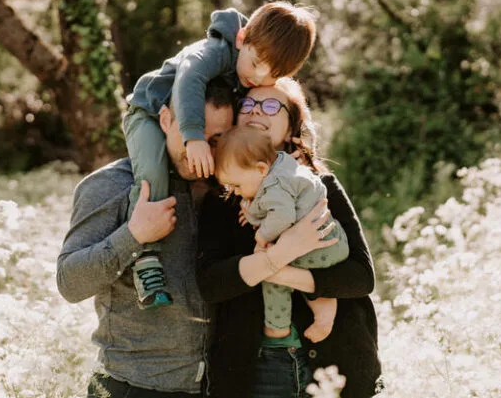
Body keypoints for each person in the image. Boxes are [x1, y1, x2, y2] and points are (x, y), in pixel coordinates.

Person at [56, 79, 334, 398]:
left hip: (214, 387)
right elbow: (69, 283)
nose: (199, 151)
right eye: (192, 135)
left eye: (216, 140)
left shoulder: (229, 188)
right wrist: (133, 235)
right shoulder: (111, 185)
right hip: (131, 386)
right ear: (165, 120)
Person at [123, 1, 316, 308]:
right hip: (148, 111)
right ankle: (145, 259)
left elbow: (281, 109)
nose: (258, 78)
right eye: (255, 64)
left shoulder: (253, 69)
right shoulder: (214, 50)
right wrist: (193, 136)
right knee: (152, 175)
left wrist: (296, 153)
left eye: (271, 75)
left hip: (194, 129)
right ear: (241, 39)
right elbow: (189, 79)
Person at [197, 78, 382, 398]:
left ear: (290, 128)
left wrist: (274, 269)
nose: (256, 111)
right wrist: (284, 252)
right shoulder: (224, 198)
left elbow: (360, 277)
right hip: (258, 369)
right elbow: (212, 283)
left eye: (271, 105)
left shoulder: (319, 186)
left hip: (336, 362)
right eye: (248, 104)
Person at [213, 126, 349, 343]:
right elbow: (276, 205)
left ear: (261, 169)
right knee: (277, 264)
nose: (236, 192)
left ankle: (279, 326)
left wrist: (262, 236)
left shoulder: (274, 185)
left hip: (320, 245)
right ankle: (317, 309)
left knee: (272, 270)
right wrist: (253, 214)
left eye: (236, 185)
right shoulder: (282, 165)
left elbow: (283, 216)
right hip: (330, 239)